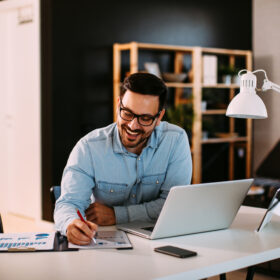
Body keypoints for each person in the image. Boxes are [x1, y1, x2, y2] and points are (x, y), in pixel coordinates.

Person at [54, 72, 192, 245]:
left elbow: (172, 204)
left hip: (159, 241)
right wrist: (70, 224)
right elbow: (68, 203)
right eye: (127, 113)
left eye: (145, 118)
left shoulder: (175, 140)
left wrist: (117, 215)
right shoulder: (89, 147)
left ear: (159, 117)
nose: (133, 126)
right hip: (104, 244)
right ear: (118, 104)